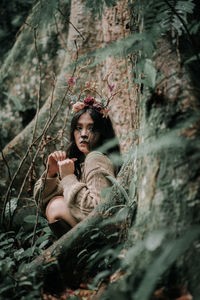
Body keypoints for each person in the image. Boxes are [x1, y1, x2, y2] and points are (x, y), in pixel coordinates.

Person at [34, 97, 120, 237]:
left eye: (91, 128)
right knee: (55, 204)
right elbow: (40, 203)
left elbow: (97, 210)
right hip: (90, 235)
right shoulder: (78, 162)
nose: (84, 134)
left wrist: (68, 177)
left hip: (102, 236)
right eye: (78, 128)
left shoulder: (96, 158)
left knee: (57, 205)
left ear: (102, 132)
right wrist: (51, 173)